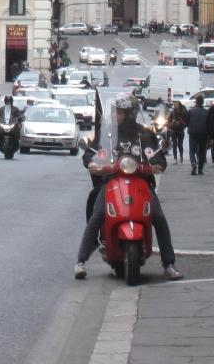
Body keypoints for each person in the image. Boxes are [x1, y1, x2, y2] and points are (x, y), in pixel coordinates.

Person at [75, 94, 183, 281]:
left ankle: (169, 264)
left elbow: (157, 156)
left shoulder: (144, 134)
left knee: (158, 216)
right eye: (114, 111)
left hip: (140, 182)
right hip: (112, 181)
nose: (115, 115)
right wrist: (92, 162)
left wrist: (155, 165)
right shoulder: (107, 134)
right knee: (98, 214)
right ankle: (81, 261)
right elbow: (92, 153)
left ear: (130, 113)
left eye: (119, 112)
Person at [186, 93, 208, 176]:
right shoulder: (206, 112)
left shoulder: (190, 111)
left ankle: (193, 163)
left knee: (192, 150)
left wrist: (190, 126)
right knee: (202, 151)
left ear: (196, 102)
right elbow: (209, 124)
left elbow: (186, 121)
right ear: (202, 102)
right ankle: (200, 169)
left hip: (193, 133)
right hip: (203, 133)